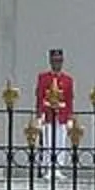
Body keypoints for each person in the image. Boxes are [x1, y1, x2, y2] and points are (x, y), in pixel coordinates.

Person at [34, 49, 76, 180]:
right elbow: (40, 97)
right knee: (47, 141)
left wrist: (70, 117)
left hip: (61, 114)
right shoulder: (44, 78)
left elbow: (69, 99)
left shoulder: (68, 80)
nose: (57, 63)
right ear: (50, 61)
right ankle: (47, 167)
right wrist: (39, 115)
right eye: (54, 61)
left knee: (60, 141)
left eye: (59, 61)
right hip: (48, 114)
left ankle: (58, 167)